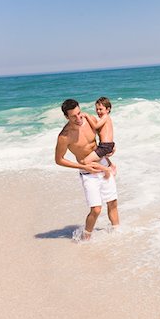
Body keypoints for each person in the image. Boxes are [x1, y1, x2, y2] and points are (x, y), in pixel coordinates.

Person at [55, 98, 119, 240]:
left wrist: (111, 148)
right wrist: (83, 166)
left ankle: (118, 235)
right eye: (73, 116)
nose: (78, 118)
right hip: (88, 172)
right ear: (66, 116)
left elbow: (103, 135)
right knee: (96, 210)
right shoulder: (64, 136)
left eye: (79, 113)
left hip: (103, 164)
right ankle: (85, 239)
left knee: (113, 203)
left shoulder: (88, 120)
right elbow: (59, 160)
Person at [81, 96, 116, 175]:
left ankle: (106, 169)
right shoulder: (105, 119)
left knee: (86, 161)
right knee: (100, 155)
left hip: (105, 146)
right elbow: (101, 132)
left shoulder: (105, 117)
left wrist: (87, 116)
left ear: (108, 109)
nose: (98, 111)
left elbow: (95, 126)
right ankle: (111, 165)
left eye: (100, 109)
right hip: (107, 145)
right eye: (97, 109)